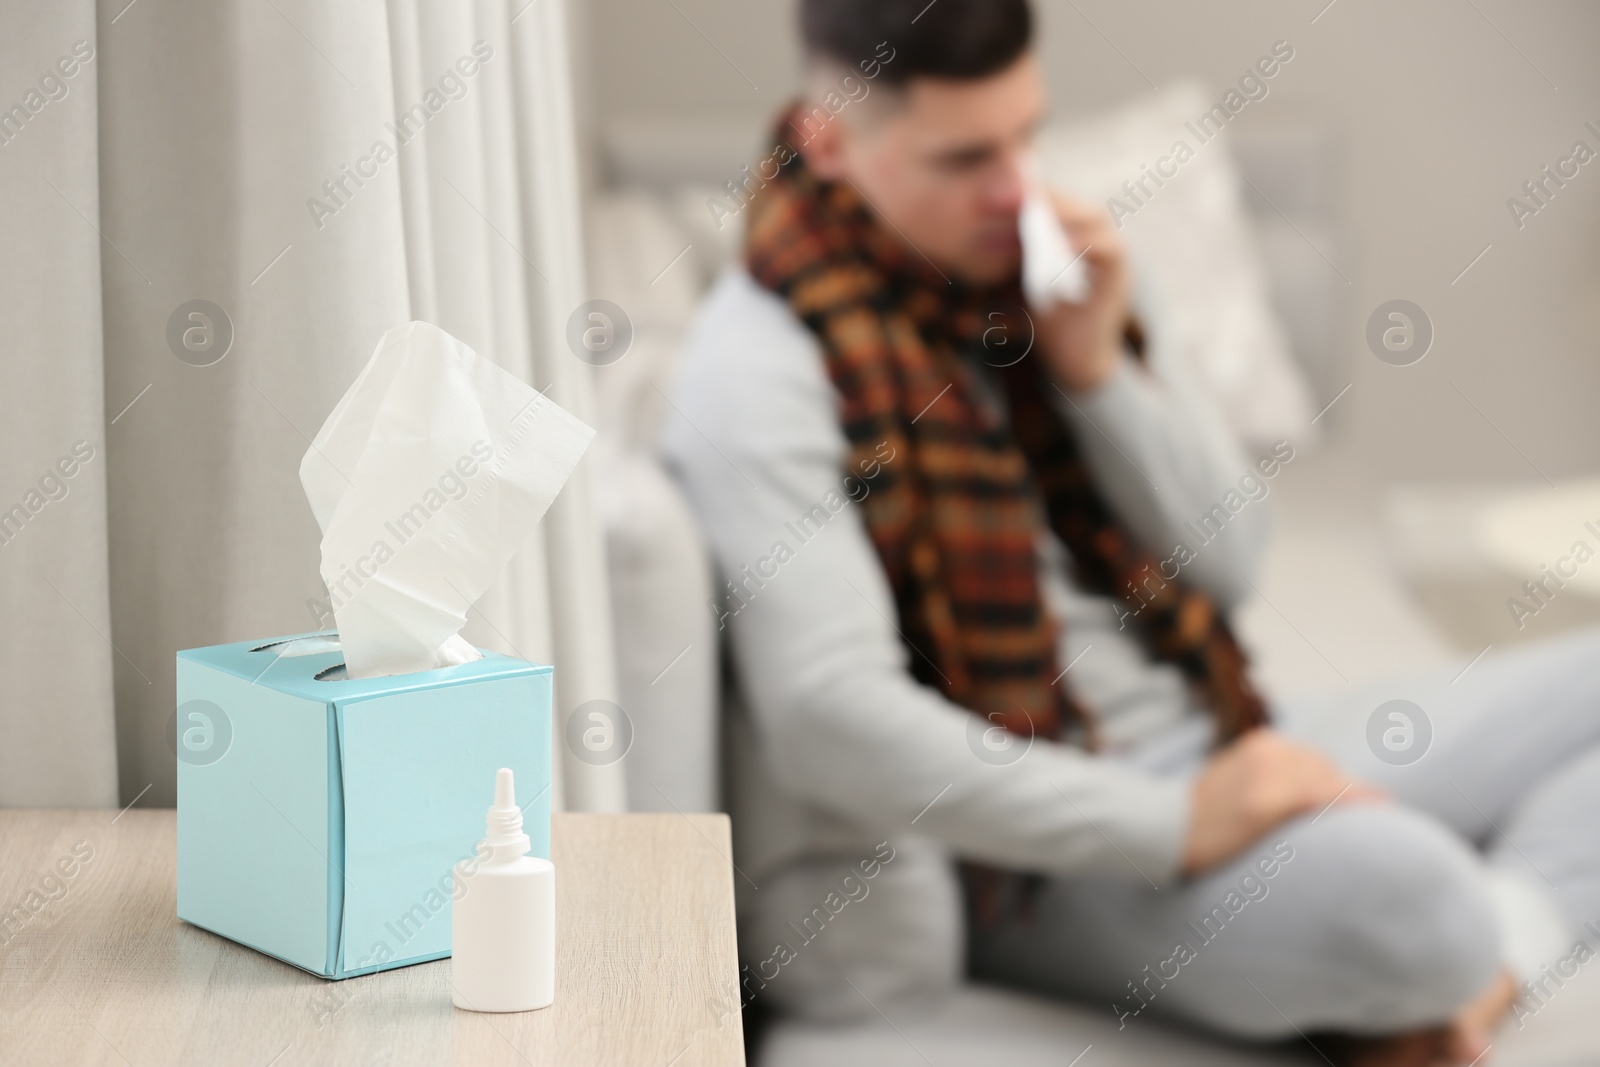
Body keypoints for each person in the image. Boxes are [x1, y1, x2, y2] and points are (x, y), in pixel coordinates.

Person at [658, 1, 1600, 1063]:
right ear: (829, 138)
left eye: (1027, 134)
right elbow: (830, 717)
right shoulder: (757, 371)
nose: (1015, 187)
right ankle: (1456, 950)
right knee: (1417, 904)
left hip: (1214, 729)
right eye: (965, 155)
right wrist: (1173, 827)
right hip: (1033, 854)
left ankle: (1479, 978)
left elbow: (1233, 561)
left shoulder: (1051, 267)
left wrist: (1097, 371)